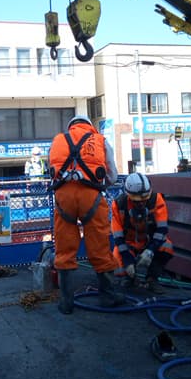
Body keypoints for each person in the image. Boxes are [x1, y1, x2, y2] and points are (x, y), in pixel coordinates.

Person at [49, 115, 125, 314]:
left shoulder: (58, 140)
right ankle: (108, 297)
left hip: (64, 197)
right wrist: (97, 185)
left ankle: (66, 302)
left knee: (64, 249)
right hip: (91, 197)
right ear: (89, 126)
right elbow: (112, 176)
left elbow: (52, 172)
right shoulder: (100, 140)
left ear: (71, 126)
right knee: (99, 247)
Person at [111, 172, 174, 294]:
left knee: (167, 246)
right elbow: (118, 236)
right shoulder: (119, 205)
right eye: (137, 201)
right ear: (128, 196)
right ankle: (129, 278)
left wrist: (150, 251)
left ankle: (152, 279)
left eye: (144, 200)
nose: (141, 204)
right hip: (129, 243)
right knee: (117, 262)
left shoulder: (156, 200)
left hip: (149, 241)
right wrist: (127, 260)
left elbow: (162, 229)